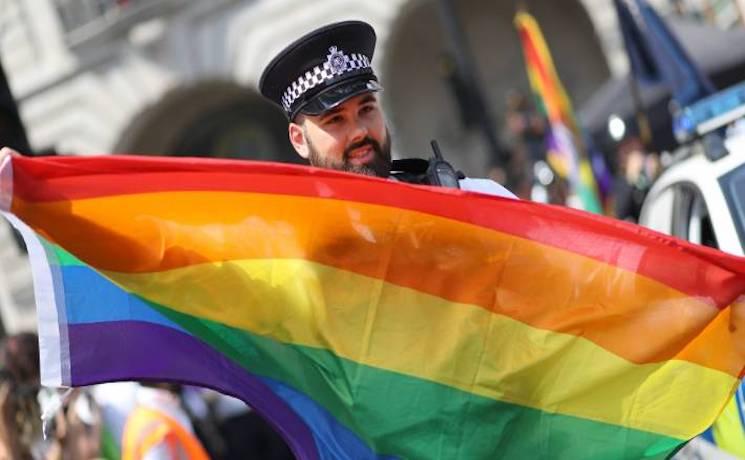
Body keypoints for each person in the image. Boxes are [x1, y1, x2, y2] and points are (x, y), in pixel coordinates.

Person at [258, 20, 515, 198]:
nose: (359, 131)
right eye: (335, 119)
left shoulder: (473, 199)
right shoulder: (300, 249)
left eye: (366, 109)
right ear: (299, 139)